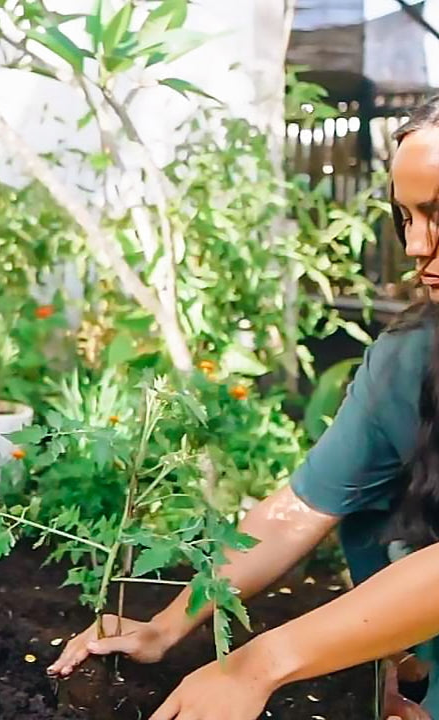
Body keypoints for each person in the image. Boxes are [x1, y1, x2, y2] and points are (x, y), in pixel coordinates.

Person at [49, 97, 439, 720]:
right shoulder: (412, 359)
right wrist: (167, 625)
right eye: (406, 216)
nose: (418, 244)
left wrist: (256, 665)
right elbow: (301, 508)